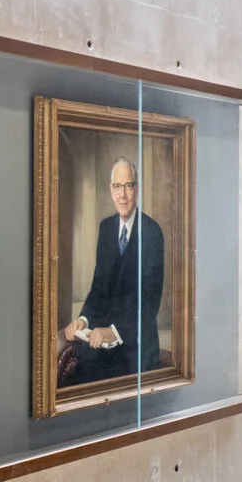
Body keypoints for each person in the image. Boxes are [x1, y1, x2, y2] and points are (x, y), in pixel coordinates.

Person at [60, 156, 164, 385]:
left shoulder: (152, 232)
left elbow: (150, 303)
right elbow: (99, 288)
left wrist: (114, 332)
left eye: (128, 186)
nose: (122, 195)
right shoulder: (106, 228)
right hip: (102, 346)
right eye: (117, 186)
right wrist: (84, 320)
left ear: (136, 190)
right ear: (111, 190)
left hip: (136, 349)